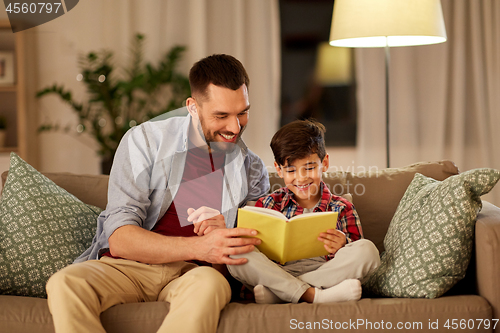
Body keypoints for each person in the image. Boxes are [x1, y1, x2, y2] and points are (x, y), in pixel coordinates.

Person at [46, 54, 270, 333]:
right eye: (221, 116)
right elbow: (120, 238)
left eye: (242, 113)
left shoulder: (252, 168)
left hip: (193, 274)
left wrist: (226, 236)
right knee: (64, 282)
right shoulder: (144, 142)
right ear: (192, 107)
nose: (235, 128)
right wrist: (202, 247)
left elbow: (254, 254)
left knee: (211, 285)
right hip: (128, 268)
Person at [228, 119, 380, 304]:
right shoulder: (267, 204)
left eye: (309, 168)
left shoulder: (342, 208)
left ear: (324, 163)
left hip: (324, 272)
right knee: (234, 252)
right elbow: (248, 248)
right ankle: (315, 296)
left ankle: (282, 294)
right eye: (291, 170)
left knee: (368, 251)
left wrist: (342, 245)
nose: (301, 178)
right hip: (277, 272)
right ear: (279, 170)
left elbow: (356, 255)